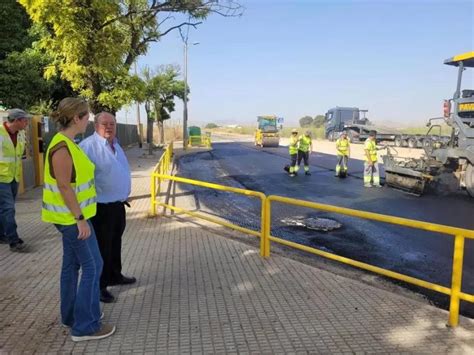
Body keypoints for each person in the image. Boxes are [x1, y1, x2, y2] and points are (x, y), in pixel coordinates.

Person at [42, 97, 115, 342]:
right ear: (77, 118)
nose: (89, 121)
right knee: (94, 266)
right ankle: (85, 326)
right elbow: (64, 186)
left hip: (72, 218)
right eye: (87, 116)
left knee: (71, 266)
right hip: (72, 220)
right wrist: (80, 219)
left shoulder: (68, 143)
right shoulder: (61, 147)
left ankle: (72, 315)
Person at [80, 112, 135, 304]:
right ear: (96, 126)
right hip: (100, 207)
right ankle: (100, 286)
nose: (109, 127)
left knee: (115, 243)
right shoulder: (88, 147)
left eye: (112, 123)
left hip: (118, 205)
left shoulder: (115, 144)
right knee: (102, 247)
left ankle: (115, 275)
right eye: (104, 124)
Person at [0, 109, 31, 252]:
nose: (27, 123)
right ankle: (14, 240)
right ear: (17, 120)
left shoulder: (21, 134)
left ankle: (2, 235)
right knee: (8, 209)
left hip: (14, 177)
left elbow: (18, 156)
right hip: (1, 179)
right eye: (25, 120)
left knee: (5, 209)